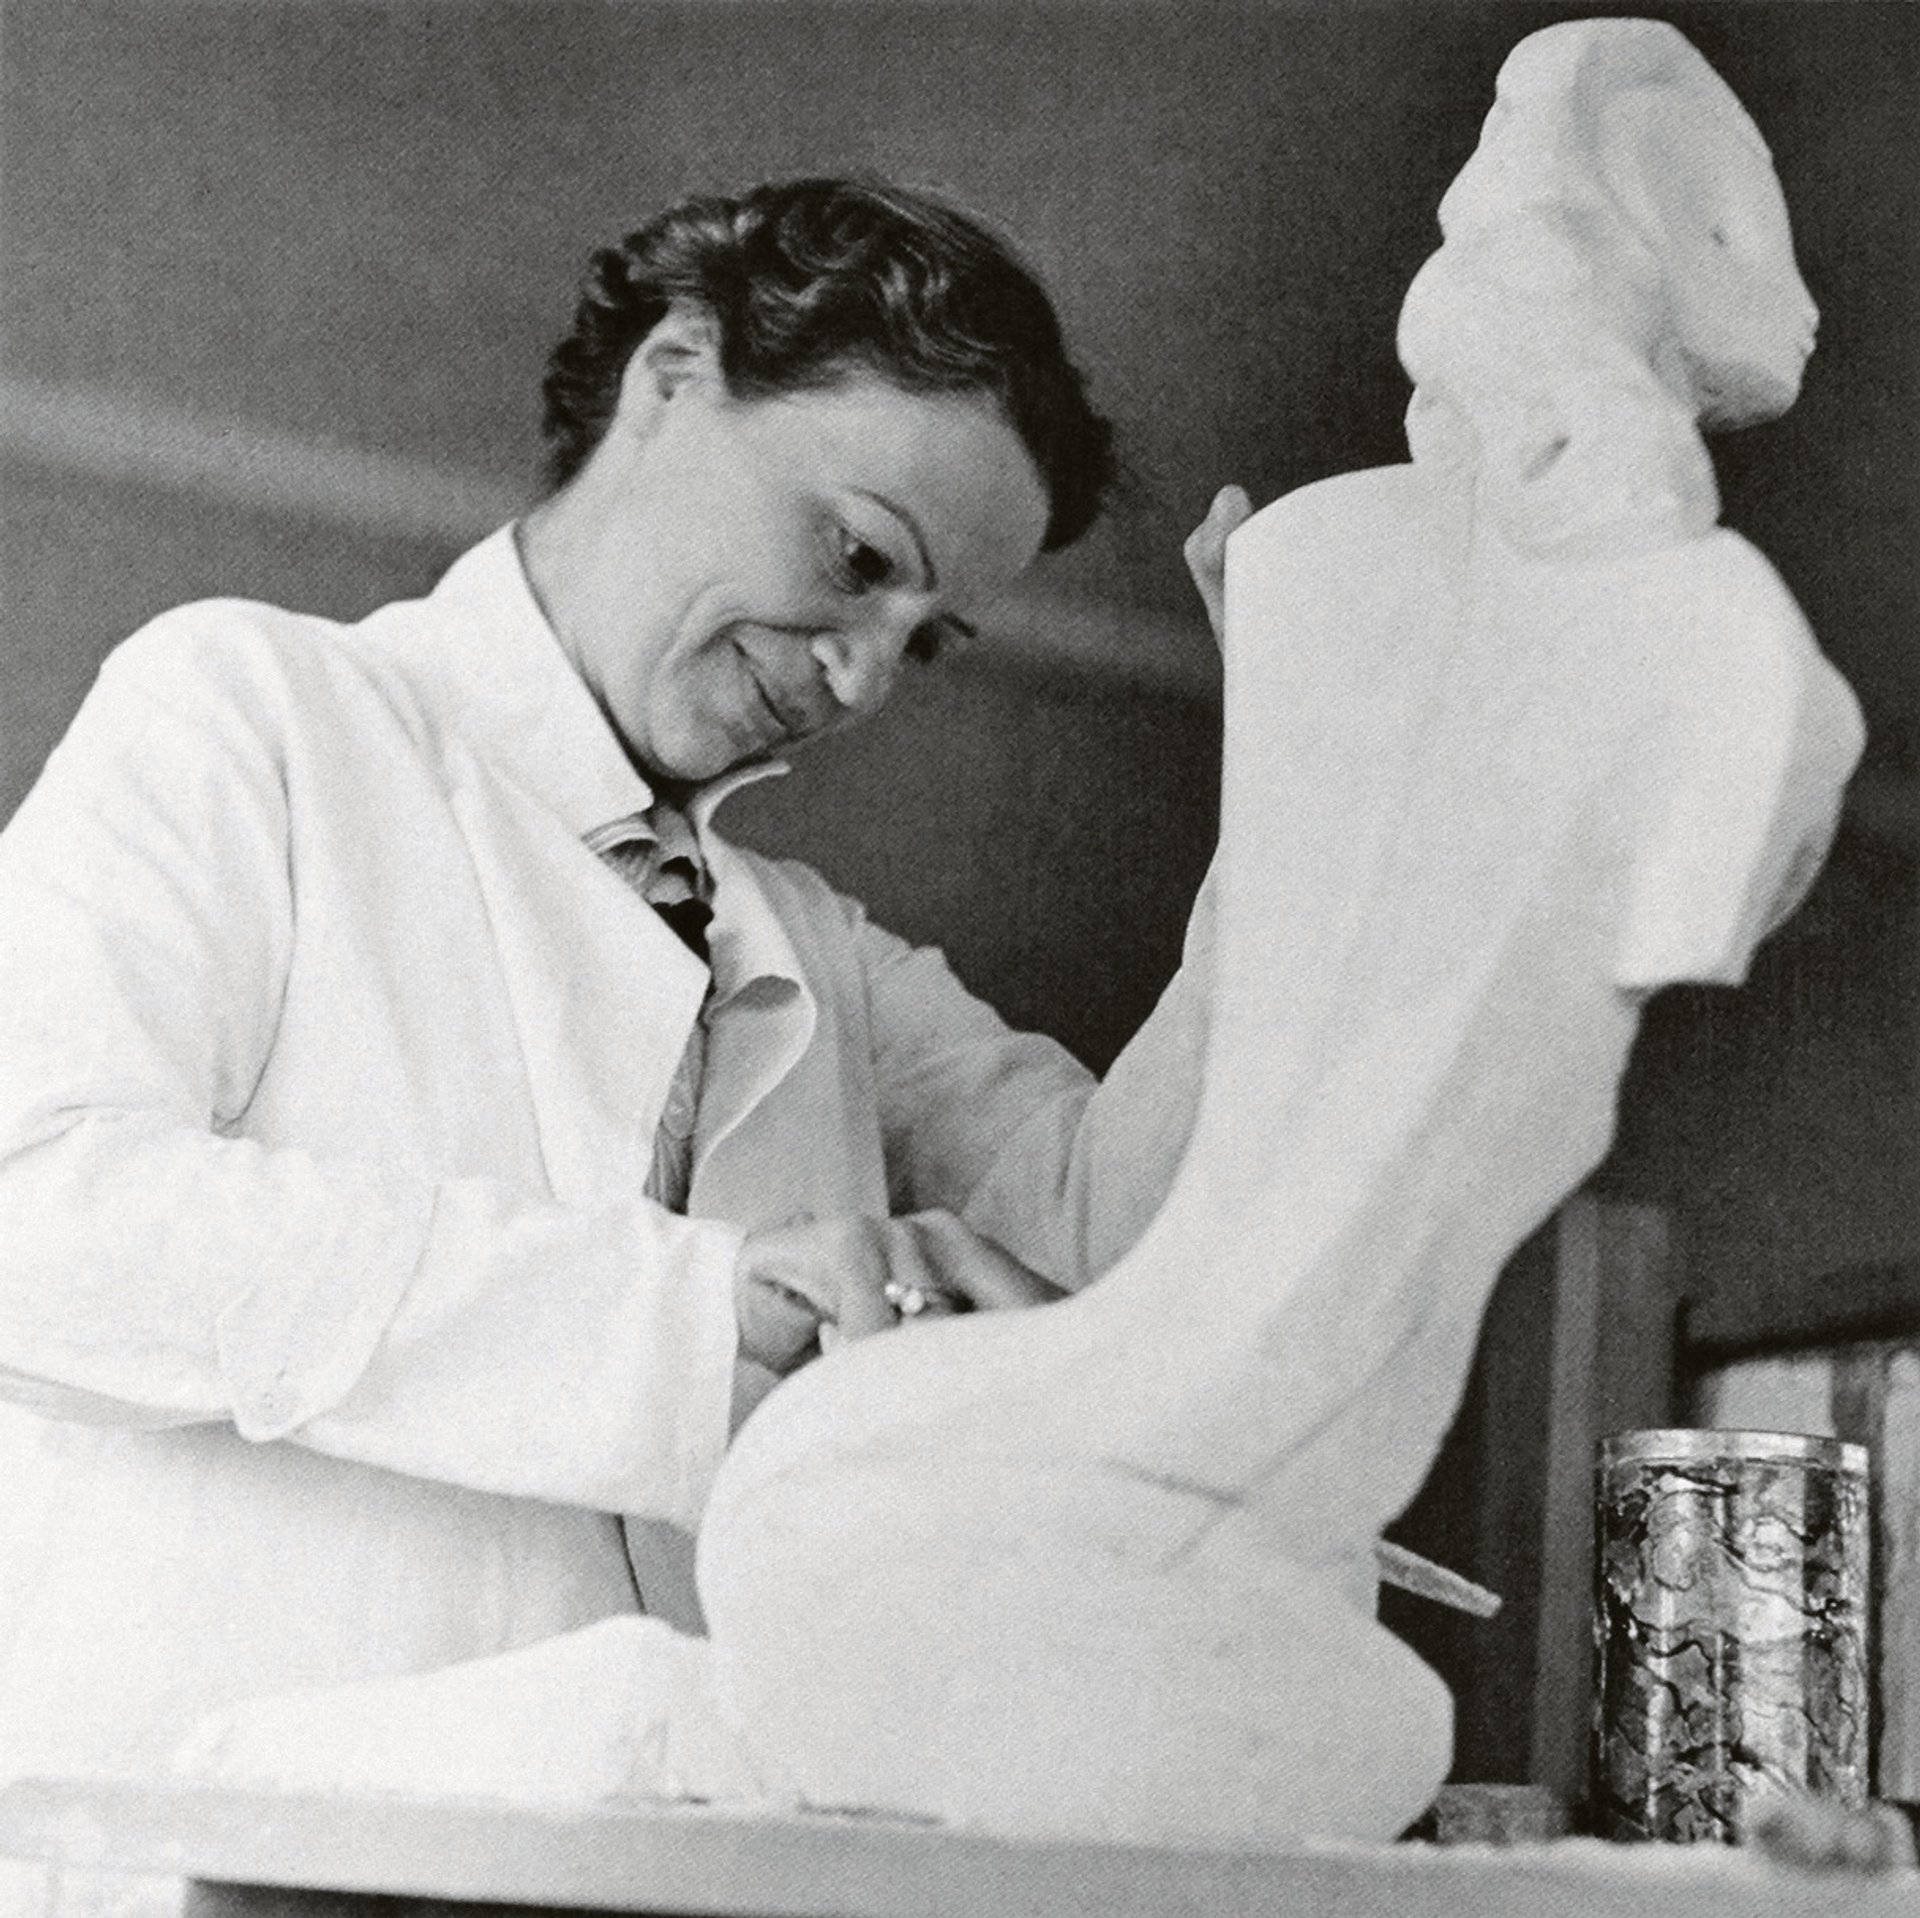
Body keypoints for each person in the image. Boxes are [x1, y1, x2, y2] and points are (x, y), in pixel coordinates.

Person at [0, 176, 1238, 1777]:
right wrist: (697, 1319)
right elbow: (34, 1211)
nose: (864, 673)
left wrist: (1306, 771)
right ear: (672, 375)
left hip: (659, 1850)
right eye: (862, 553)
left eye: (924, 640)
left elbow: (1132, 1248)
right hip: (245, 1843)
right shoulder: (257, 712)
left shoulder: (818, 953)